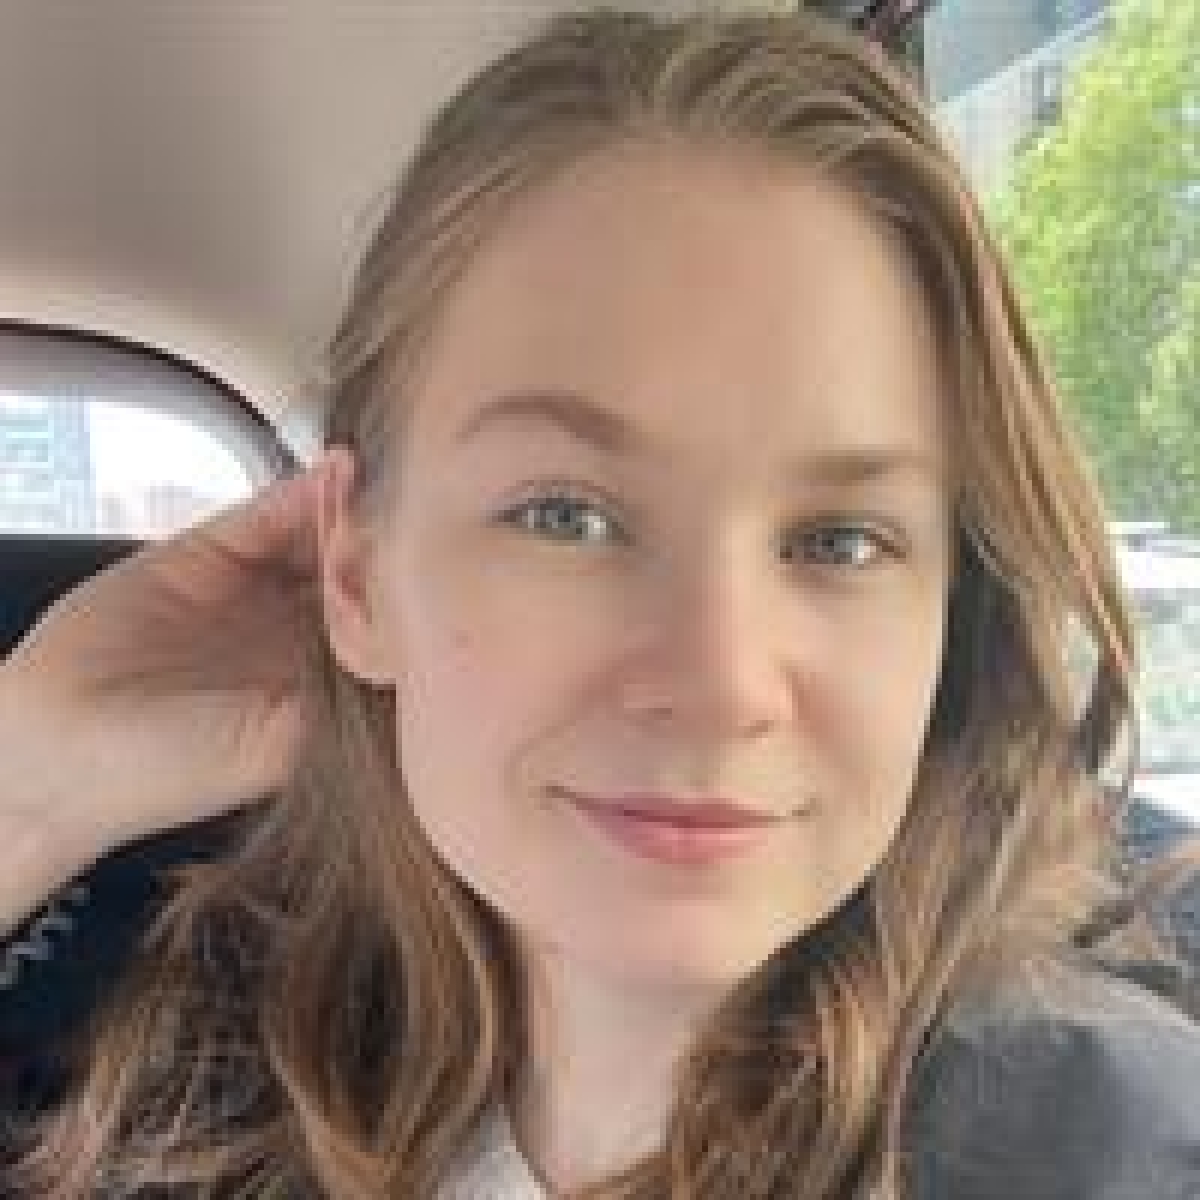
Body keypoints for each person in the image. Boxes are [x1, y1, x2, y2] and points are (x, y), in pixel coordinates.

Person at [2, 8, 1199, 1197]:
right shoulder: (208, 1068)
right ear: (357, 575)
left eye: (840, 541)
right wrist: (35, 782)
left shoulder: (1100, 1140)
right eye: (566, 516)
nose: (722, 683)